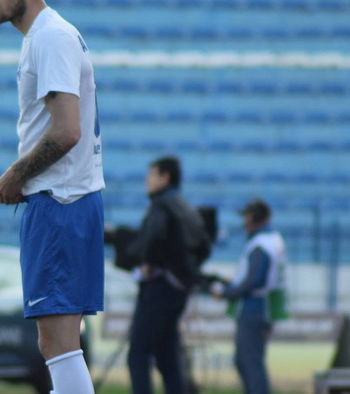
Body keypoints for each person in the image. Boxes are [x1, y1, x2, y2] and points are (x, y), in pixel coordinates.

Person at [0, 0, 104, 394]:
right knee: (62, 342)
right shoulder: (47, 35)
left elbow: (67, 130)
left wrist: (17, 173)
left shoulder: (49, 37)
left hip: (60, 203)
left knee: (57, 344)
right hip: (71, 201)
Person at [123, 156, 210, 394]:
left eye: (151, 174)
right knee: (167, 356)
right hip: (178, 289)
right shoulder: (185, 206)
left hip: (159, 288)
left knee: (138, 354)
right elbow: (204, 244)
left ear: (165, 177)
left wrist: (147, 262)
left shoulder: (161, 204)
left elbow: (153, 238)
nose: (146, 180)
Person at [210, 198, 288, 394]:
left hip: (254, 308)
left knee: (249, 362)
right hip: (263, 307)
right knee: (246, 360)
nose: (244, 221)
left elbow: (255, 280)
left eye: (246, 216)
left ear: (253, 217)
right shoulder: (273, 240)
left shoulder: (261, 244)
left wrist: (226, 292)